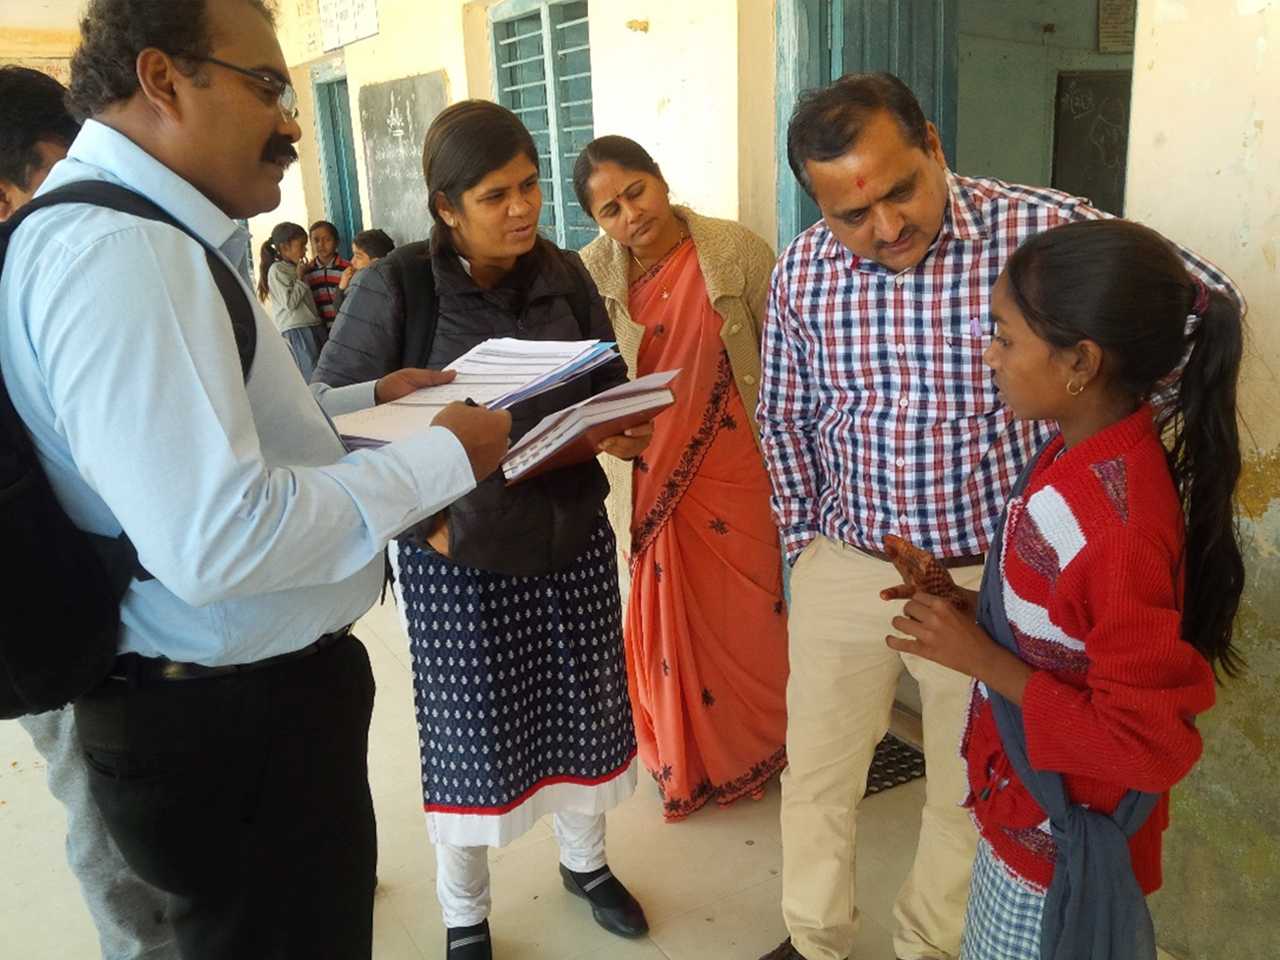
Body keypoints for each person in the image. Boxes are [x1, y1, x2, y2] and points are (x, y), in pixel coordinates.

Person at [0, 2, 511, 957]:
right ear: (163, 79)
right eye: (268, 87)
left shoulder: (136, 232)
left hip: (229, 710)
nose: (290, 123)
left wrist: (360, 401)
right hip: (224, 726)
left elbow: (199, 437)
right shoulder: (123, 254)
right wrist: (446, 459)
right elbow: (218, 538)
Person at [756, 72, 1239, 960]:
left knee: (967, 781)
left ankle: (928, 944)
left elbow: (1206, 306)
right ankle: (814, 939)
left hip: (998, 579)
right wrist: (803, 549)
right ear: (818, 206)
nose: (887, 227)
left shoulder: (1041, 230)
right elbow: (783, 416)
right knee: (818, 771)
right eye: (851, 215)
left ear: (935, 144)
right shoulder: (801, 270)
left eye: (901, 189)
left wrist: (1113, 428)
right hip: (848, 561)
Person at [313, 101, 652, 960]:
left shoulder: (566, 274)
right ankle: (464, 913)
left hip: (568, 534)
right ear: (445, 207)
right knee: (470, 735)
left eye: (531, 185)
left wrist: (618, 424)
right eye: (497, 194)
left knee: (583, 708)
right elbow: (332, 424)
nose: (523, 208)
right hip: (454, 553)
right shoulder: (397, 289)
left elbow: (604, 373)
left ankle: (586, 866)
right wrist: (427, 526)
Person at [885, 218, 1240, 958]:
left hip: (1059, 845)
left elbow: (1147, 745)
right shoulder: (1072, 455)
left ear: (1080, 362)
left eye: (1005, 337)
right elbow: (1061, 628)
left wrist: (982, 660)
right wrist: (961, 605)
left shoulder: (1115, 526)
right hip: (1023, 802)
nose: (989, 356)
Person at [0, 63, 178, 960]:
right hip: (54, 633)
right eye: (63, 166)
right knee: (105, 818)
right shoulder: (39, 270)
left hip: (117, 615)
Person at [574, 135, 789, 821]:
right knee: (668, 621)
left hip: (739, 468)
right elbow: (581, 375)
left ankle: (759, 744)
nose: (630, 214)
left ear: (660, 180)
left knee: (753, 614)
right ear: (597, 222)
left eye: (636, 192)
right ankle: (687, 759)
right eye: (609, 209)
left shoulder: (736, 251)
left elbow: (789, 354)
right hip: (648, 475)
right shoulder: (591, 277)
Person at [258, 220, 326, 379]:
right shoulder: (277, 270)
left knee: (323, 370)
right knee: (311, 375)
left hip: (312, 325)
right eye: (301, 246)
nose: (305, 250)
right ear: (284, 248)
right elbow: (289, 304)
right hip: (297, 330)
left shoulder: (295, 267)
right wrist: (301, 278)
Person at [332, 226, 394, 314]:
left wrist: (342, 288)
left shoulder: (368, 287)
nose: (352, 261)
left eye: (358, 256)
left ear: (376, 261)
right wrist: (342, 287)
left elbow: (343, 313)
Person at [303, 217, 350, 327]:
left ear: (336, 242)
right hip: (320, 328)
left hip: (345, 325)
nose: (321, 245)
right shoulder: (307, 272)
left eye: (327, 239)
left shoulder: (347, 269)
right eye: (316, 240)